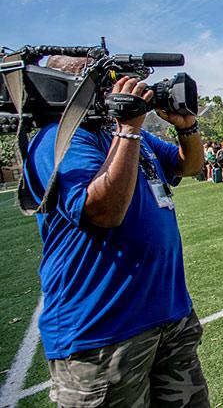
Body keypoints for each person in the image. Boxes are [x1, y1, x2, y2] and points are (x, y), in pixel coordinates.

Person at [23, 74, 209, 407]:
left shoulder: (132, 137)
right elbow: (104, 211)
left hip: (169, 316)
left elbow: (190, 166)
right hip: (103, 333)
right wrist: (128, 128)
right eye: (101, 79)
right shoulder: (58, 140)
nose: (113, 87)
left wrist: (186, 127)